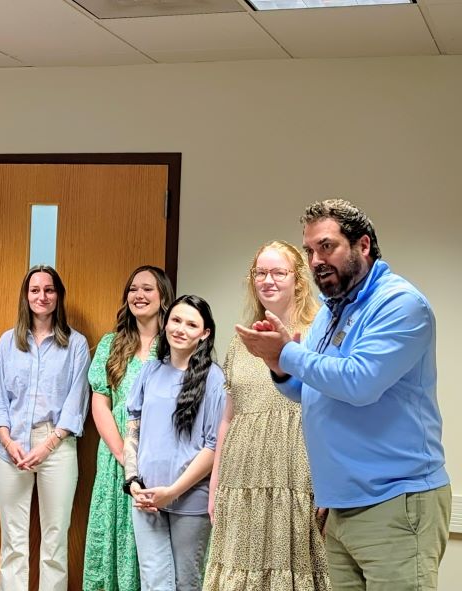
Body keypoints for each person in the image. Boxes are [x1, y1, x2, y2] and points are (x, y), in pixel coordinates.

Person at [237, 199, 450, 591]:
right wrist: (280, 367)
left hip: (395, 502)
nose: (316, 259)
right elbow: (314, 390)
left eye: (327, 246)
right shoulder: (330, 311)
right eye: (310, 250)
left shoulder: (400, 304)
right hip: (340, 505)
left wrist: (288, 352)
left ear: (363, 245)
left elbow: (359, 382)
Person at [204, 241, 330, 591]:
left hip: (297, 475)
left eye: (278, 272)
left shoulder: (318, 335)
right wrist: (215, 484)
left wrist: (330, 485)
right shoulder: (242, 341)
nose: (268, 280)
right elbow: (228, 418)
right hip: (241, 478)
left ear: (298, 280)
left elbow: (333, 414)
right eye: (261, 272)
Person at [0, 265, 90, 591]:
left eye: (49, 290)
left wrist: (46, 446)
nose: (41, 296)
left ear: (58, 296)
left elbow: (76, 404)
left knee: (55, 541)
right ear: (26, 296)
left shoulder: (76, 344)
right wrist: (7, 441)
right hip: (11, 446)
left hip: (56, 445)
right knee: (13, 540)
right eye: (35, 290)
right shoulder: (8, 341)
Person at [124, 295, 226, 591]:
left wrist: (171, 492)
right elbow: (133, 429)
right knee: (154, 582)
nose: (181, 329)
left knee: (186, 583)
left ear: (204, 333)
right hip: (145, 498)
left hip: (189, 500)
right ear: (166, 323)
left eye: (191, 324)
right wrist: (132, 481)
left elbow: (213, 446)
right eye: (176, 320)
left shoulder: (214, 379)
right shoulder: (150, 370)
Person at [83, 265, 175, 591]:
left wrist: (143, 458)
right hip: (116, 456)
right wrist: (124, 455)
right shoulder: (111, 344)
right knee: (111, 533)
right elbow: (100, 403)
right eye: (133, 289)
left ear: (163, 295)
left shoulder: (175, 344)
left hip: (160, 456)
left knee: (153, 544)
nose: (139, 295)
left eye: (148, 289)